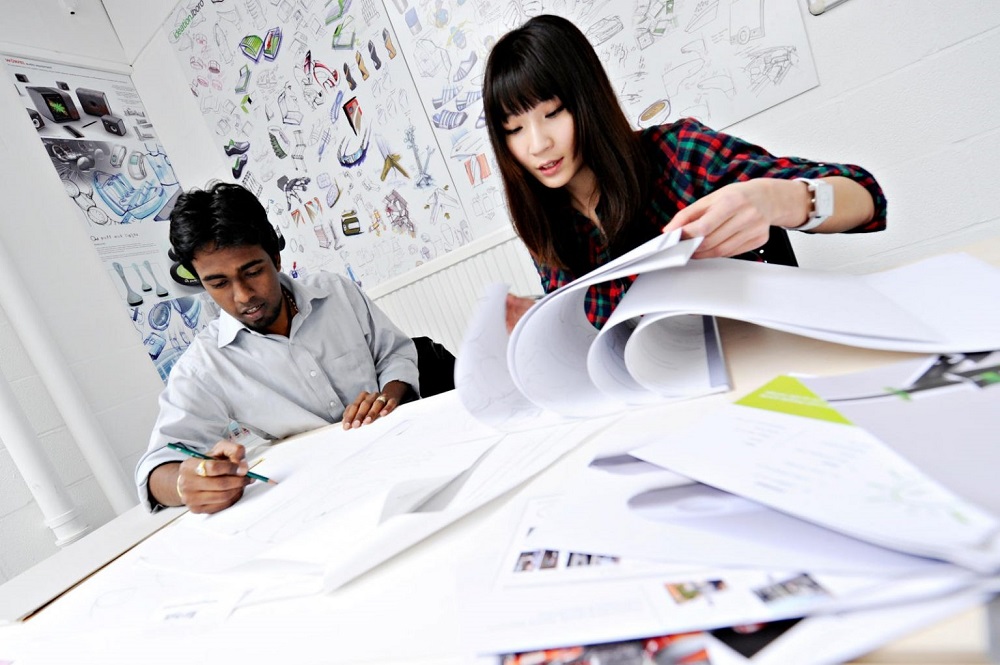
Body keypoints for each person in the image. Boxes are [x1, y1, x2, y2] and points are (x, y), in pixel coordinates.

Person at [483, 14, 888, 331]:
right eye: (514, 129)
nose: (537, 145)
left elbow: (866, 197)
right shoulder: (544, 220)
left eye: (552, 114)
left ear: (587, 101)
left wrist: (784, 200)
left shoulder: (679, 154)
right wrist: (539, 320)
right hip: (654, 398)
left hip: (761, 362)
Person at [135, 182, 419, 514]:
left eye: (252, 272)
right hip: (323, 494)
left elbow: (395, 354)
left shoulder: (336, 293)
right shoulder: (206, 364)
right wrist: (186, 483)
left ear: (275, 257)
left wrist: (388, 396)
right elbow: (157, 465)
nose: (242, 296)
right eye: (218, 283)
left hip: (400, 447)